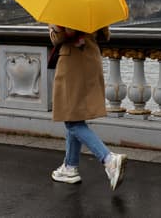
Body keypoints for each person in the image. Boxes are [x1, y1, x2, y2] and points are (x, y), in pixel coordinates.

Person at [48, 23, 126, 191]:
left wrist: (53, 28)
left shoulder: (65, 9)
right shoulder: (91, 9)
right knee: (74, 115)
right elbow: (105, 35)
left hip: (72, 63)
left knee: (71, 119)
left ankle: (109, 160)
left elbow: (59, 38)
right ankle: (70, 167)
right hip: (91, 59)